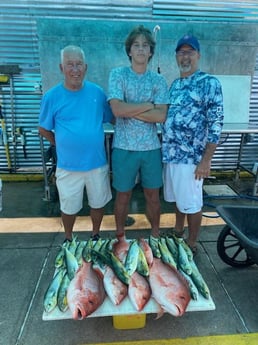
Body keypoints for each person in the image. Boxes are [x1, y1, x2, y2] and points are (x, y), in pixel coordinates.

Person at [39, 45, 113, 242]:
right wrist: (59, 144)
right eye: (69, 64)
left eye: (79, 64)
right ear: (61, 68)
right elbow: (43, 128)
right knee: (68, 206)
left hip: (96, 163)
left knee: (98, 203)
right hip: (68, 166)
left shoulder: (98, 93)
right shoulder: (52, 97)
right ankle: (69, 237)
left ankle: (95, 234)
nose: (75, 69)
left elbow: (112, 118)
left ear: (86, 67)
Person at [162, 34, 224, 254]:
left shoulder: (209, 83)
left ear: (198, 55)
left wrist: (206, 160)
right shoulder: (175, 85)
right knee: (179, 198)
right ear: (176, 56)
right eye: (181, 52)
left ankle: (192, 242)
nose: (185, 56)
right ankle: (178, 231)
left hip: (191, 158)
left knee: (192, 202)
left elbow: (216, 123)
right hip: (171, 155)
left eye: (190, 52)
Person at [108, 25, 169, 240]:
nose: (141, 50)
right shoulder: (118, 75)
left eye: (145, 46)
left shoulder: (159, 81)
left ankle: (155, 234)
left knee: (153, 195)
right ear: (129, 51)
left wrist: (129, 108)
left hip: (151, 148)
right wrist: (147, 105)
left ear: (151, 51)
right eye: (136, 45)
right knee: (122, 195)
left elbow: (161, 116)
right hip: (124, 147)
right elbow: (117, 110)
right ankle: (120, 236)